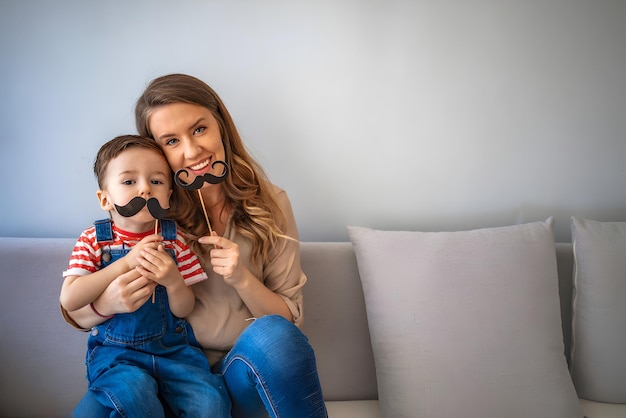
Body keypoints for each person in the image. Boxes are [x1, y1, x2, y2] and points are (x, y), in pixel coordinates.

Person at [64, 74, 328, 418]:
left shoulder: (271, 204)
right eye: (171, 141)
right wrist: (106, 303)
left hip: (235, 377)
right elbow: (74, 310)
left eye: (199, 129)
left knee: (275, 335)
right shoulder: (151, 211)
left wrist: (242, 278)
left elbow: (287, 327)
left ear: (221, 125)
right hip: (154, 373)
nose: (192, 151)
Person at [60, 135, 230, 417]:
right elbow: (70, 298)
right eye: (129, 182)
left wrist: (173, 280)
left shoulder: (174, 240)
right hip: (117, 356)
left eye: (157, 181)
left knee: (211, 401)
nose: (145, 190)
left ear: (169, 194)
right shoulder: (95, 240)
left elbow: (185, 308)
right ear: (105, 199)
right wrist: (125, 263)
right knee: (133, 391)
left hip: (173, 353)